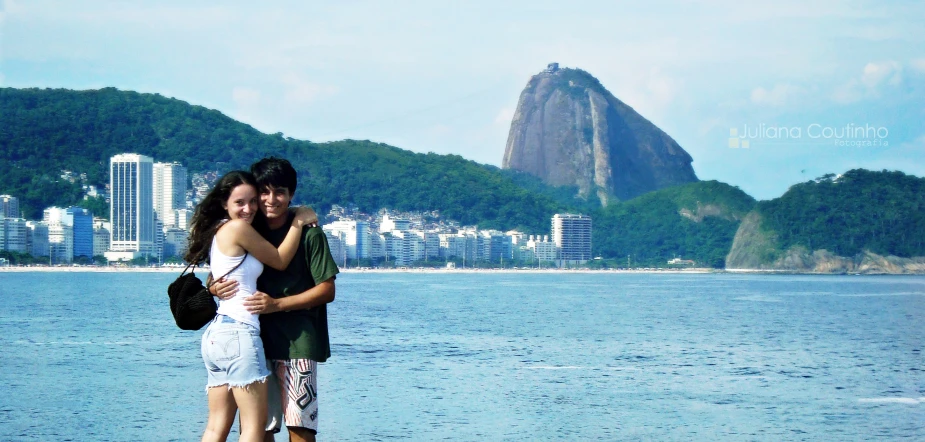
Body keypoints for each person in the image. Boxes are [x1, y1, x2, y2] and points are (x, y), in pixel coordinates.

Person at [210, 157, 339, 442]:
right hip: (255, 340)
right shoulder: (248, 229)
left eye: (279, 192)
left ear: (291, 194)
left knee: (300, 425)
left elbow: (327, 290)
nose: (271, 199)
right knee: (260, 425)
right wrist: (213, 288)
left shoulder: (310, 234)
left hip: (299, 341)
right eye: (264, 192)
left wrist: (277, 304)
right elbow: (220, 271)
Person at [186, 170, 317, 442]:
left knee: (215, 427)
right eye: (240, 203)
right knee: (254, 428)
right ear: (225, 203)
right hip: (240, 334)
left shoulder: (220, 229)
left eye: (253, 202)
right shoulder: (238, 228)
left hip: (216, 336)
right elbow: (280, 260)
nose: (248, 209)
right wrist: (299, 221)